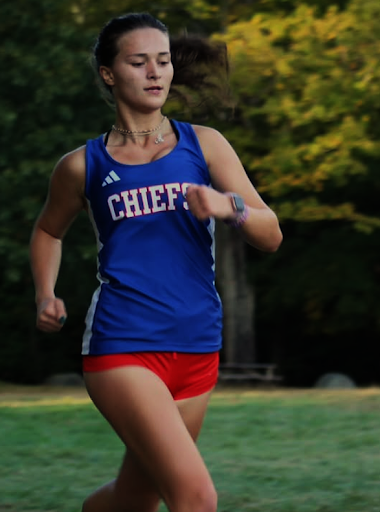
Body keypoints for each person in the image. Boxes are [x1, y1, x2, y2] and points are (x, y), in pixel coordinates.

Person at [30, 12, 282, 512]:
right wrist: (45, 292)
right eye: (139, 62)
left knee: (133, 499)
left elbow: (270, 234)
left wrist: (225, 207)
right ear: (109, 73)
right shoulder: (82, 165)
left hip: (198, 343)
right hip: (123, 342)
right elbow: (47, 231)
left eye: (163, 61)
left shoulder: (204, 144)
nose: (155, 73)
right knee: (195, 497)